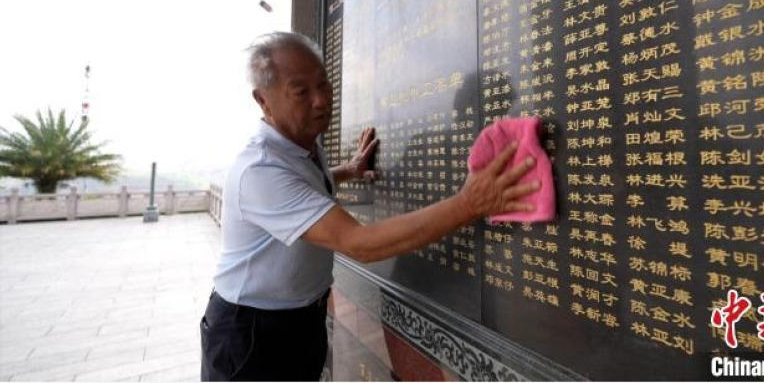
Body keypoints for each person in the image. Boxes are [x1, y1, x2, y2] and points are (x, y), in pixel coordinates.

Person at [200, 32, 540, 381]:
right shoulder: (260, 170)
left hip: (303, 317)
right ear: (263, 100)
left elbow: (304, 185)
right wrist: (469, 204)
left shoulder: (301, 143)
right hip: (252, 331)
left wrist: (348, 170)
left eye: (324, 85)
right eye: (301, 91)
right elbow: (358, 243)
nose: (320, 101)